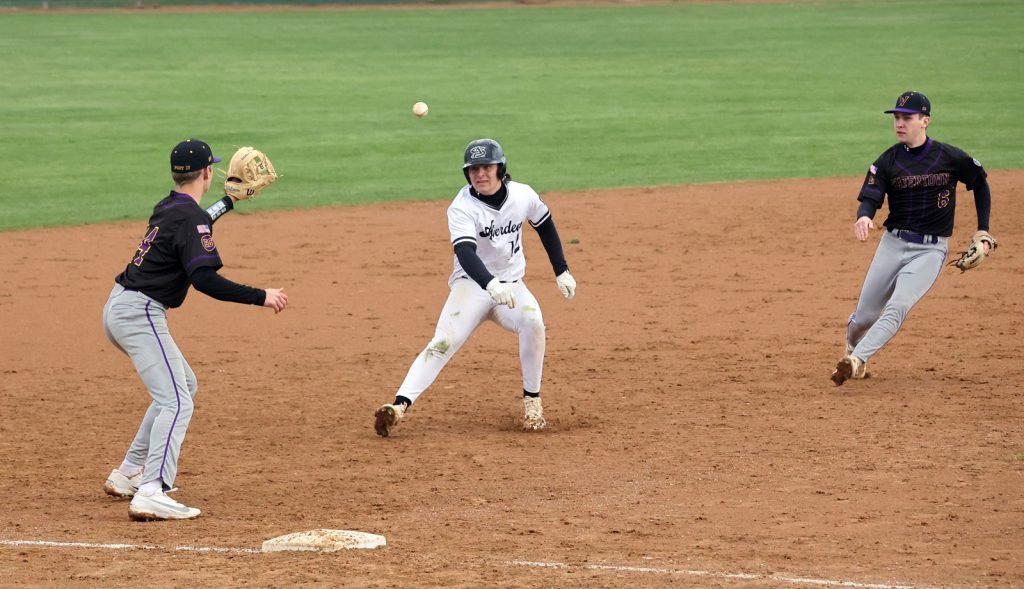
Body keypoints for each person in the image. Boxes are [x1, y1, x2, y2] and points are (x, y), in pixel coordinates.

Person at [102, 139, 288, 520]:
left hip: (120, 307)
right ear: (207, 172)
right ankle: (152, 489)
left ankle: (130, 472)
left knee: (182, 386)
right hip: (141, 314)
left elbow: (199, 221)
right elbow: (204, 279)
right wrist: (261, 296)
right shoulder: (191, 218)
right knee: (177, 400)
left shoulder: (170, 206)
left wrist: (229, 201)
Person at [374, 138, 577, 436]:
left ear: (500, 168)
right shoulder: (462, 207)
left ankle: (532, 403)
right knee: (444, 342)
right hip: (471, 286)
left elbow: (544, 224)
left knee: (534, 323)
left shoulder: (522, 195)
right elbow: (465, 252)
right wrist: (490, 283)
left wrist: (561, 270)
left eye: (486, 167)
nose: (480, 174)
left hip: (512, 287)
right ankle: (398, 406)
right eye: (473, 169)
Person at [831, 92, 994, 386]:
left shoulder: (949, 157)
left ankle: (856, 360)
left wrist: (983, 230)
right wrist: (864, 216)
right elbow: (870, 198)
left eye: (906, 117)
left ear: (925, 121)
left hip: (930, 251)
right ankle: (852, 347)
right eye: (896, 117)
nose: (899, 123)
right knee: (864, 317)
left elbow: (980, 183)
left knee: (898, 306)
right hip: (892, 245)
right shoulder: (888, 161)